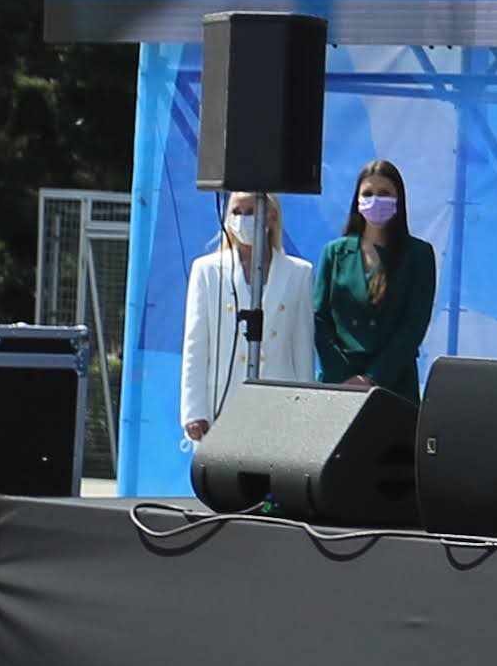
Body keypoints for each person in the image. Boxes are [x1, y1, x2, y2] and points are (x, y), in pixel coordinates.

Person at [180, 190, 325, 459]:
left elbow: (303, 348)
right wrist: (193, 411)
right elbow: (196, 345)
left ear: (271, 217)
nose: (242, 219)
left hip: (279, 404)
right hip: (223, 402)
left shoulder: (299, 273)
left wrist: (303, 412)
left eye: (251, 212)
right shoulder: (207, 270)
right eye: (236, 212)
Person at [313, 158, 439, 399]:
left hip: (394, 383)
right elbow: (320, 317)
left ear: (399, 199)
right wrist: (342, 374)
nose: (375, 200)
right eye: (368, 193)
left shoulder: (419, 254)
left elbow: (414, 325)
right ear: (357, 200)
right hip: (339, 382)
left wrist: (373, 377)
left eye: (384, 193)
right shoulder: (335, 252)